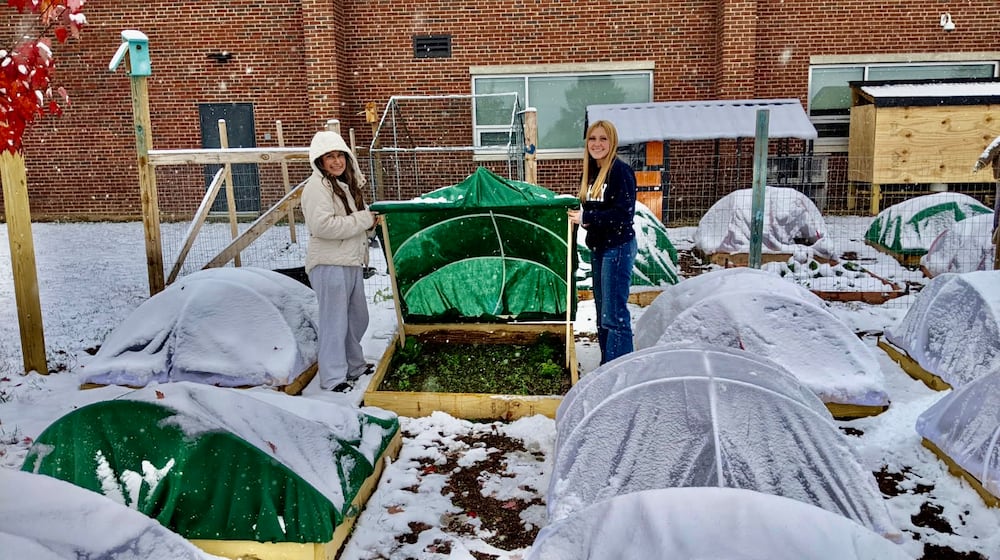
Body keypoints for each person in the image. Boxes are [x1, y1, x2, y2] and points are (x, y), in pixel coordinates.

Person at [302, 130, 381, 392]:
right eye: (329, 157)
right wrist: (364, 219)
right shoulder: (317, 188)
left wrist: (371, 224)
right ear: (319, 161)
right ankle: (333, 377)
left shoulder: (344, 187)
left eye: (340, 156)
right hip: (329, 262)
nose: (336, 162)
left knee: (356, 317)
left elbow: (355, 223)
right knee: (334, 322)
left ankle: (354, 364)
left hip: (349, 260)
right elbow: (323, 226)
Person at [567, 120, 637, 365]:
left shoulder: (620, 171)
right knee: (602, 313)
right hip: (599, 248)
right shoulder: (591, 172)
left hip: (617, 248)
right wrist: (584, 219)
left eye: (603, 138)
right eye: (592, 139)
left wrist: (589, 217)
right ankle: (608, 367)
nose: (597, 144)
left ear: (613, 142)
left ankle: (620, 372)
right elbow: (595, 209)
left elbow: (623, 214)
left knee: (614, 315)